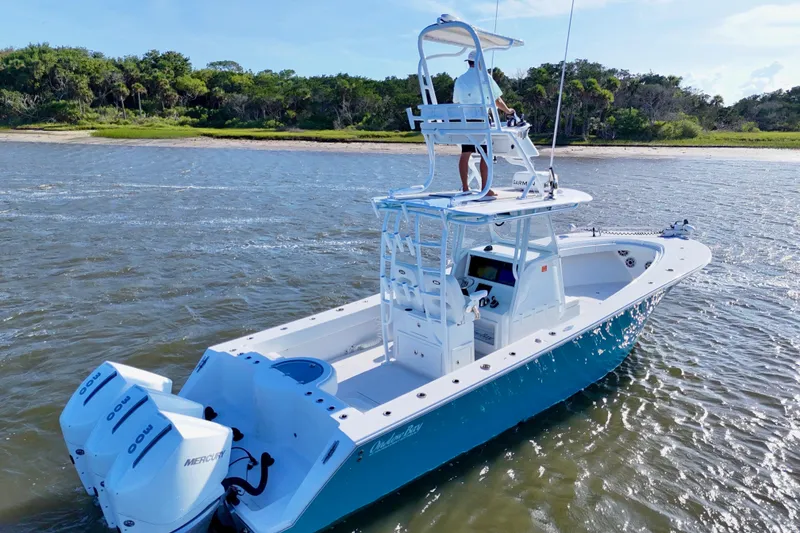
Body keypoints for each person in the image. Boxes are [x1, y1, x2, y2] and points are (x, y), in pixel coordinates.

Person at [453, 50, 514, 196]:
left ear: (469, 63)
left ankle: (465, 188)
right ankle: (485, 189)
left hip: (466, 122)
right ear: (480, 62)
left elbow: (456, 101)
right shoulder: (485, 77)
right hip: (481, 122)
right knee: (485, 154)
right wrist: (508, 111)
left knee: (465, 153)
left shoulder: (460, 80)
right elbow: (497, 100)